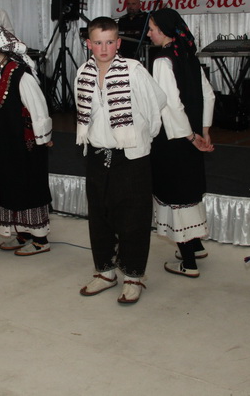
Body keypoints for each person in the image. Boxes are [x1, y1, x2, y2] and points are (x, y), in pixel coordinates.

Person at [75, 16, 166, 304]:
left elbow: (156, 104)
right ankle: (105, 272)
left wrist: (141, 138)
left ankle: (133, 276)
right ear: (89, 44)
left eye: (109, 42)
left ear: (118, 43)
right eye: (98, 42)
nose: (104, 48)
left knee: (133, 218)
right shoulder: (83, 73)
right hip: (96, 153)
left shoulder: (134, 70)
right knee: (99, 215)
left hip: (130, 155)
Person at [0, 26, 53, 255]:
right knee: (11, 186)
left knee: (28, 187)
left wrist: (43, 138)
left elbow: (38, 109)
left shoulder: (20, 75)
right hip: (7, 145)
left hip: (25, 146)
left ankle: (40, 239)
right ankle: (23, 232)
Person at [146, 8, 215, 278]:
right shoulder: (189, 55)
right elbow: (208, 95)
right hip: (191, 135)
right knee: (188, 191)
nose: (149, 34)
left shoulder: (163, 60)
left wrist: (191, 137)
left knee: (175, 194)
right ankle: (196, 246)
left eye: (152, 29)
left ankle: (188, 263)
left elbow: (169, 105)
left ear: (163, 31)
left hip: (174, 139)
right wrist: (203, 132)